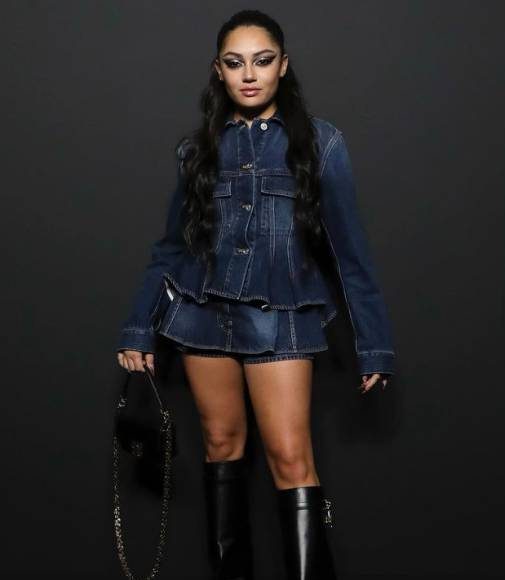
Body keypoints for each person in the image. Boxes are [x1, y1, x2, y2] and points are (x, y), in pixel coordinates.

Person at [115, 9, 396, 580]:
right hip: (200, 316)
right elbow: (171, 249)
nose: (249, 74)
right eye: (235, 62)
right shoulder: (197, 150)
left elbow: (350, 255)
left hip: (282, 317)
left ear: (283, 66)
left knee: (290, 459)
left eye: (262, 61)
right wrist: (139, 328)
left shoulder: (320, 143)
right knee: (220, 446)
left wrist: (374, 346)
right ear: (217, 70)